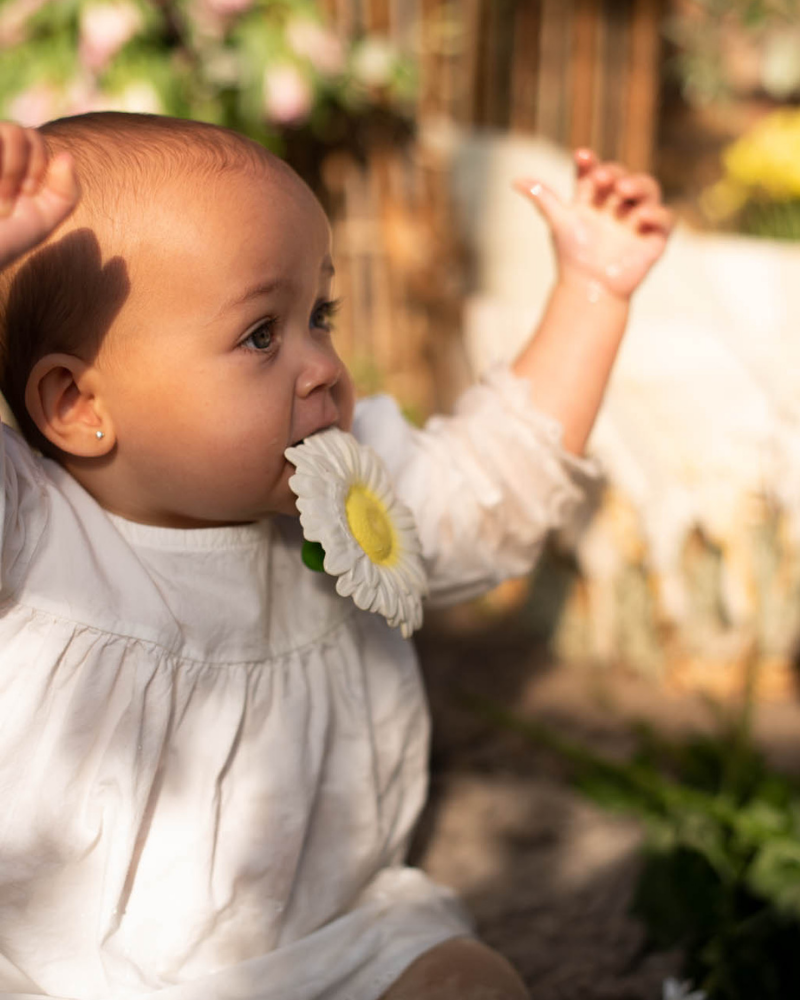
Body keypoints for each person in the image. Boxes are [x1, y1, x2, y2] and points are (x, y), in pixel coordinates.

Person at [0, 113, 672, 1000]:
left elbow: (493, 485)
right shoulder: (35, 533)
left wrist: (594, 292)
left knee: (471, 982)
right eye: (260, 336)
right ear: (78, 402)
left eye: (319, 316)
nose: (322, 366)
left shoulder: (351, 493)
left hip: (333, 940)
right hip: (61, 974)